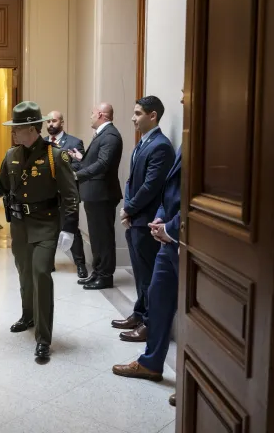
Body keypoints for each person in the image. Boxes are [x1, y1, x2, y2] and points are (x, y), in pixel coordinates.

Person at [0, 101, 79, 358]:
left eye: (17, 128)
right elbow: (2, 186)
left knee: (41, 274)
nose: (13, 133)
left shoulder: (56, 156)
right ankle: (28, 316)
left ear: (32, 128)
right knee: (24, 274)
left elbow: (70, 195)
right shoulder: (11, 155)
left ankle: (43, 338)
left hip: (46, 224)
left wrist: (69, 229)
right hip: (20, 226)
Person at [112, 146, 181, 386]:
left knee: (197, 315)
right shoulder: (186, 140)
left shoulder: (211, 140)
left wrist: (171, 228)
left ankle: (193, 383)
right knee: (157, 299)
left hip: (187, 240)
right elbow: (169, 190)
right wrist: (162, 217)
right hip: (168, 242)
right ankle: (151, 364)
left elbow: (199, 199)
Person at [113, 96, 175, 342]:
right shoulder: (143, 143)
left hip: (147, 220)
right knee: (139, 272)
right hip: (135, 218)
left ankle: (149, 324)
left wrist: (129, 209)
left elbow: (151, 186)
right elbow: (131, 181)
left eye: (138, 113)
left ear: (153, 116)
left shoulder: (161, 146)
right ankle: (139, 313)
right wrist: (127, 207)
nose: (133, 118)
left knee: (148, 275)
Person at [70, 103, 123, 290]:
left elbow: (103, 164)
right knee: (97, 237)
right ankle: (98, 272)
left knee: (104, 238)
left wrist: (78, 174)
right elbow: (96, 160)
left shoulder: (110, 136)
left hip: (103, 194)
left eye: (92, 114)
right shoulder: (103, 135)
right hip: (95, 194)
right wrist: (80, 159)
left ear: (101, 114)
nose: (90, 117)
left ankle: (105, 276)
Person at [44, 111, 88, 278]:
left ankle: (80, 264)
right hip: (47, 195)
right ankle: (48, 262)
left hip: (67, 194)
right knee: (49, 229)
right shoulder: (41, 143)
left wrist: (62, 174)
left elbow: (79, 166)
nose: (50, 124)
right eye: (48, 122)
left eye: (54, 121)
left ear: (62, 122)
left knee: (71, 227)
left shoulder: (74, 142)